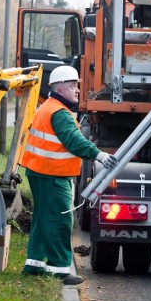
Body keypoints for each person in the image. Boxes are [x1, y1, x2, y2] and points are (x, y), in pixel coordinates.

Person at [20, 65, 117, 285]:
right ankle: (59, 270)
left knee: (43, 219)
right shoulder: (59, 113)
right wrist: (99, 155)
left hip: (41, 171)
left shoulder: (49, 108)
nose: (77, 90)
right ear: (59, 88)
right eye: (73, 86)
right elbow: (74, 141)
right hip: (51, 175)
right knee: (60, 221)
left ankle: (33, 265)